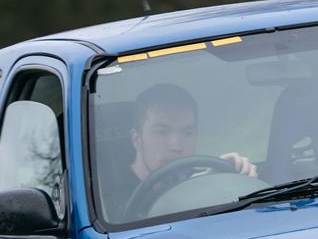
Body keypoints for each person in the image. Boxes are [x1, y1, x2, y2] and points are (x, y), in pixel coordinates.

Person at [106, 82, 256, 218]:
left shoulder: (201, 178)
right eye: (162, 132)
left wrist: (236, 182)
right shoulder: (105, 201)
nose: (176, 146)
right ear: (137, 139)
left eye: (187, 133)